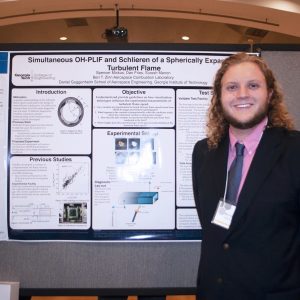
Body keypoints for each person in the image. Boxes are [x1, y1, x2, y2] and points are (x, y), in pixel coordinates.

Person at [192, 52, 300, 300]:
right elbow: (214, 230)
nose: (242, 94)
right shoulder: (203, 152)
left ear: (270, 94)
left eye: (253, 85)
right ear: (219, 98)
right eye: (232, 87)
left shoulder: (294, 151)